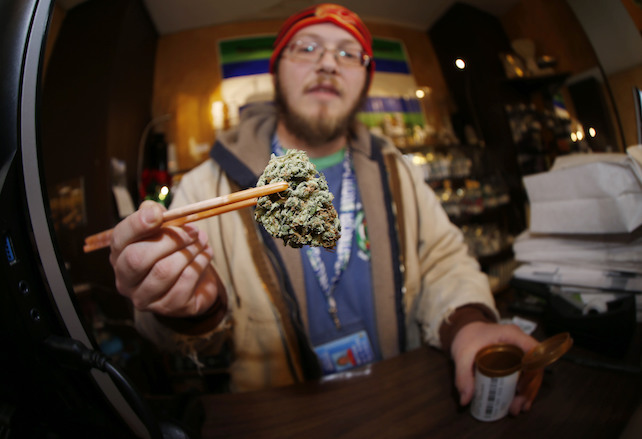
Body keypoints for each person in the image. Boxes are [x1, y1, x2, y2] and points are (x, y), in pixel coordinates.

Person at [109, 3, 537, 414]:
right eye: (307, 47)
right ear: (277, 70)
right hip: (280, 416)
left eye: (348, 53)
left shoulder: (394, 168)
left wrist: (467, 325)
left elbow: (444, 260)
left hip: (402, 397)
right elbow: (169, 332)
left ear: (364, 82)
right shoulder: (210, 184)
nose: (328, 63)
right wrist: (190, 306)